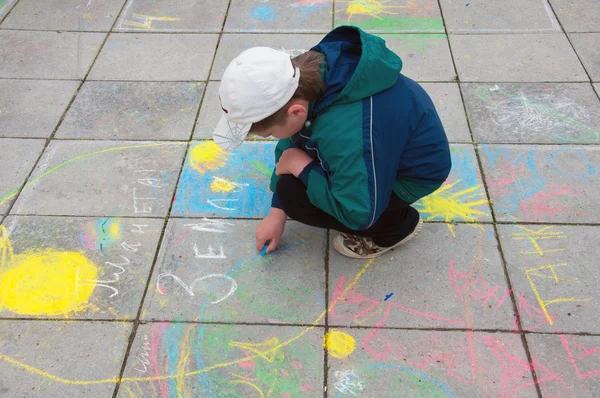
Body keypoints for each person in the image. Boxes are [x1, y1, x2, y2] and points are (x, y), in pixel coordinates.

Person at [212, 25, 451, 259]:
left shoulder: (347, 131)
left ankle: (396, 228)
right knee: (288, 186)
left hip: (413, 174)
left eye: (271, 133)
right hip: (379, 148)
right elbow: (292, 145)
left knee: (296, 197)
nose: (274, 139)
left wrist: (302, 168)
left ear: (295, 111)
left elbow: (358, 212)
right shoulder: (309, 79)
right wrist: (277, 211)